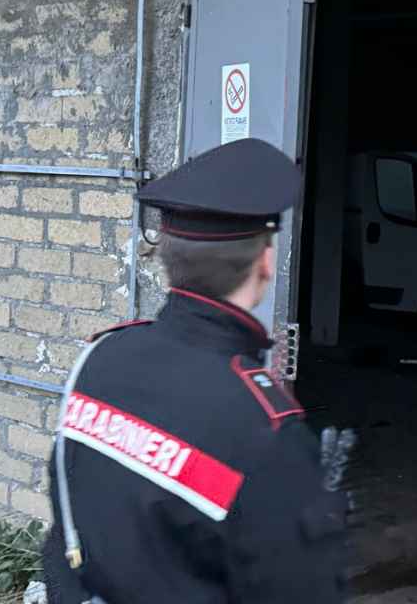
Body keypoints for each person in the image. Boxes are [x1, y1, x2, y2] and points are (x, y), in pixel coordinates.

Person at [41, 138, 348, 604]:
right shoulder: (265, 429)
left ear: (166, 259)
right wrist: (313, 513)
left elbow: (67, 525)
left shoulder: (99, 358)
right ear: (266, 264)